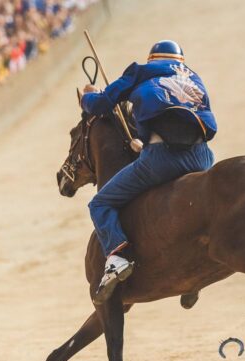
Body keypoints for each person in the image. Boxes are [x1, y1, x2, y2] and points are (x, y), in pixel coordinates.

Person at [80, 40, 217, 302]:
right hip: (203, 157)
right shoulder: (193, 77)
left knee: (100, 203)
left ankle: (117, 260)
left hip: (163, 158)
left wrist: (88, 97)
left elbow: (100, 105)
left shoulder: (141, 72)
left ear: (152, 59)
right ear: (180, 61)